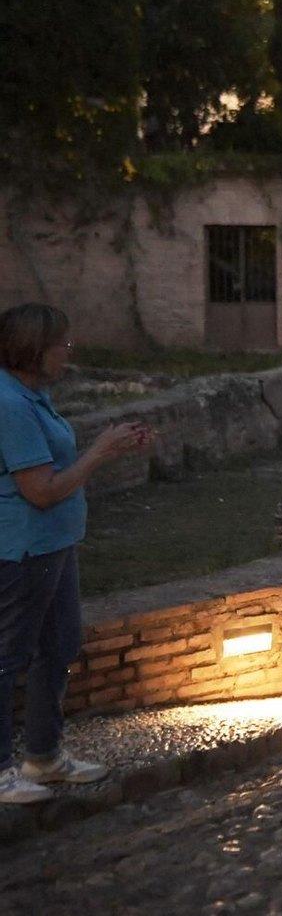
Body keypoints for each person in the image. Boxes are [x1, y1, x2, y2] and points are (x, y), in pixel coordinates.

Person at [0, 304, 150, 804]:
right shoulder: (11, 405)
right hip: (23, 549)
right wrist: (100, 453)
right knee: (8, 657)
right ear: (33, 348)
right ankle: (2, 772)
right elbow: (40, 491)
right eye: (61, 344)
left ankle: (43, 757)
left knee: (58, 649)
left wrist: (113, 445)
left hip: (56, 546)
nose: (68, 352)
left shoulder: (34, 397)